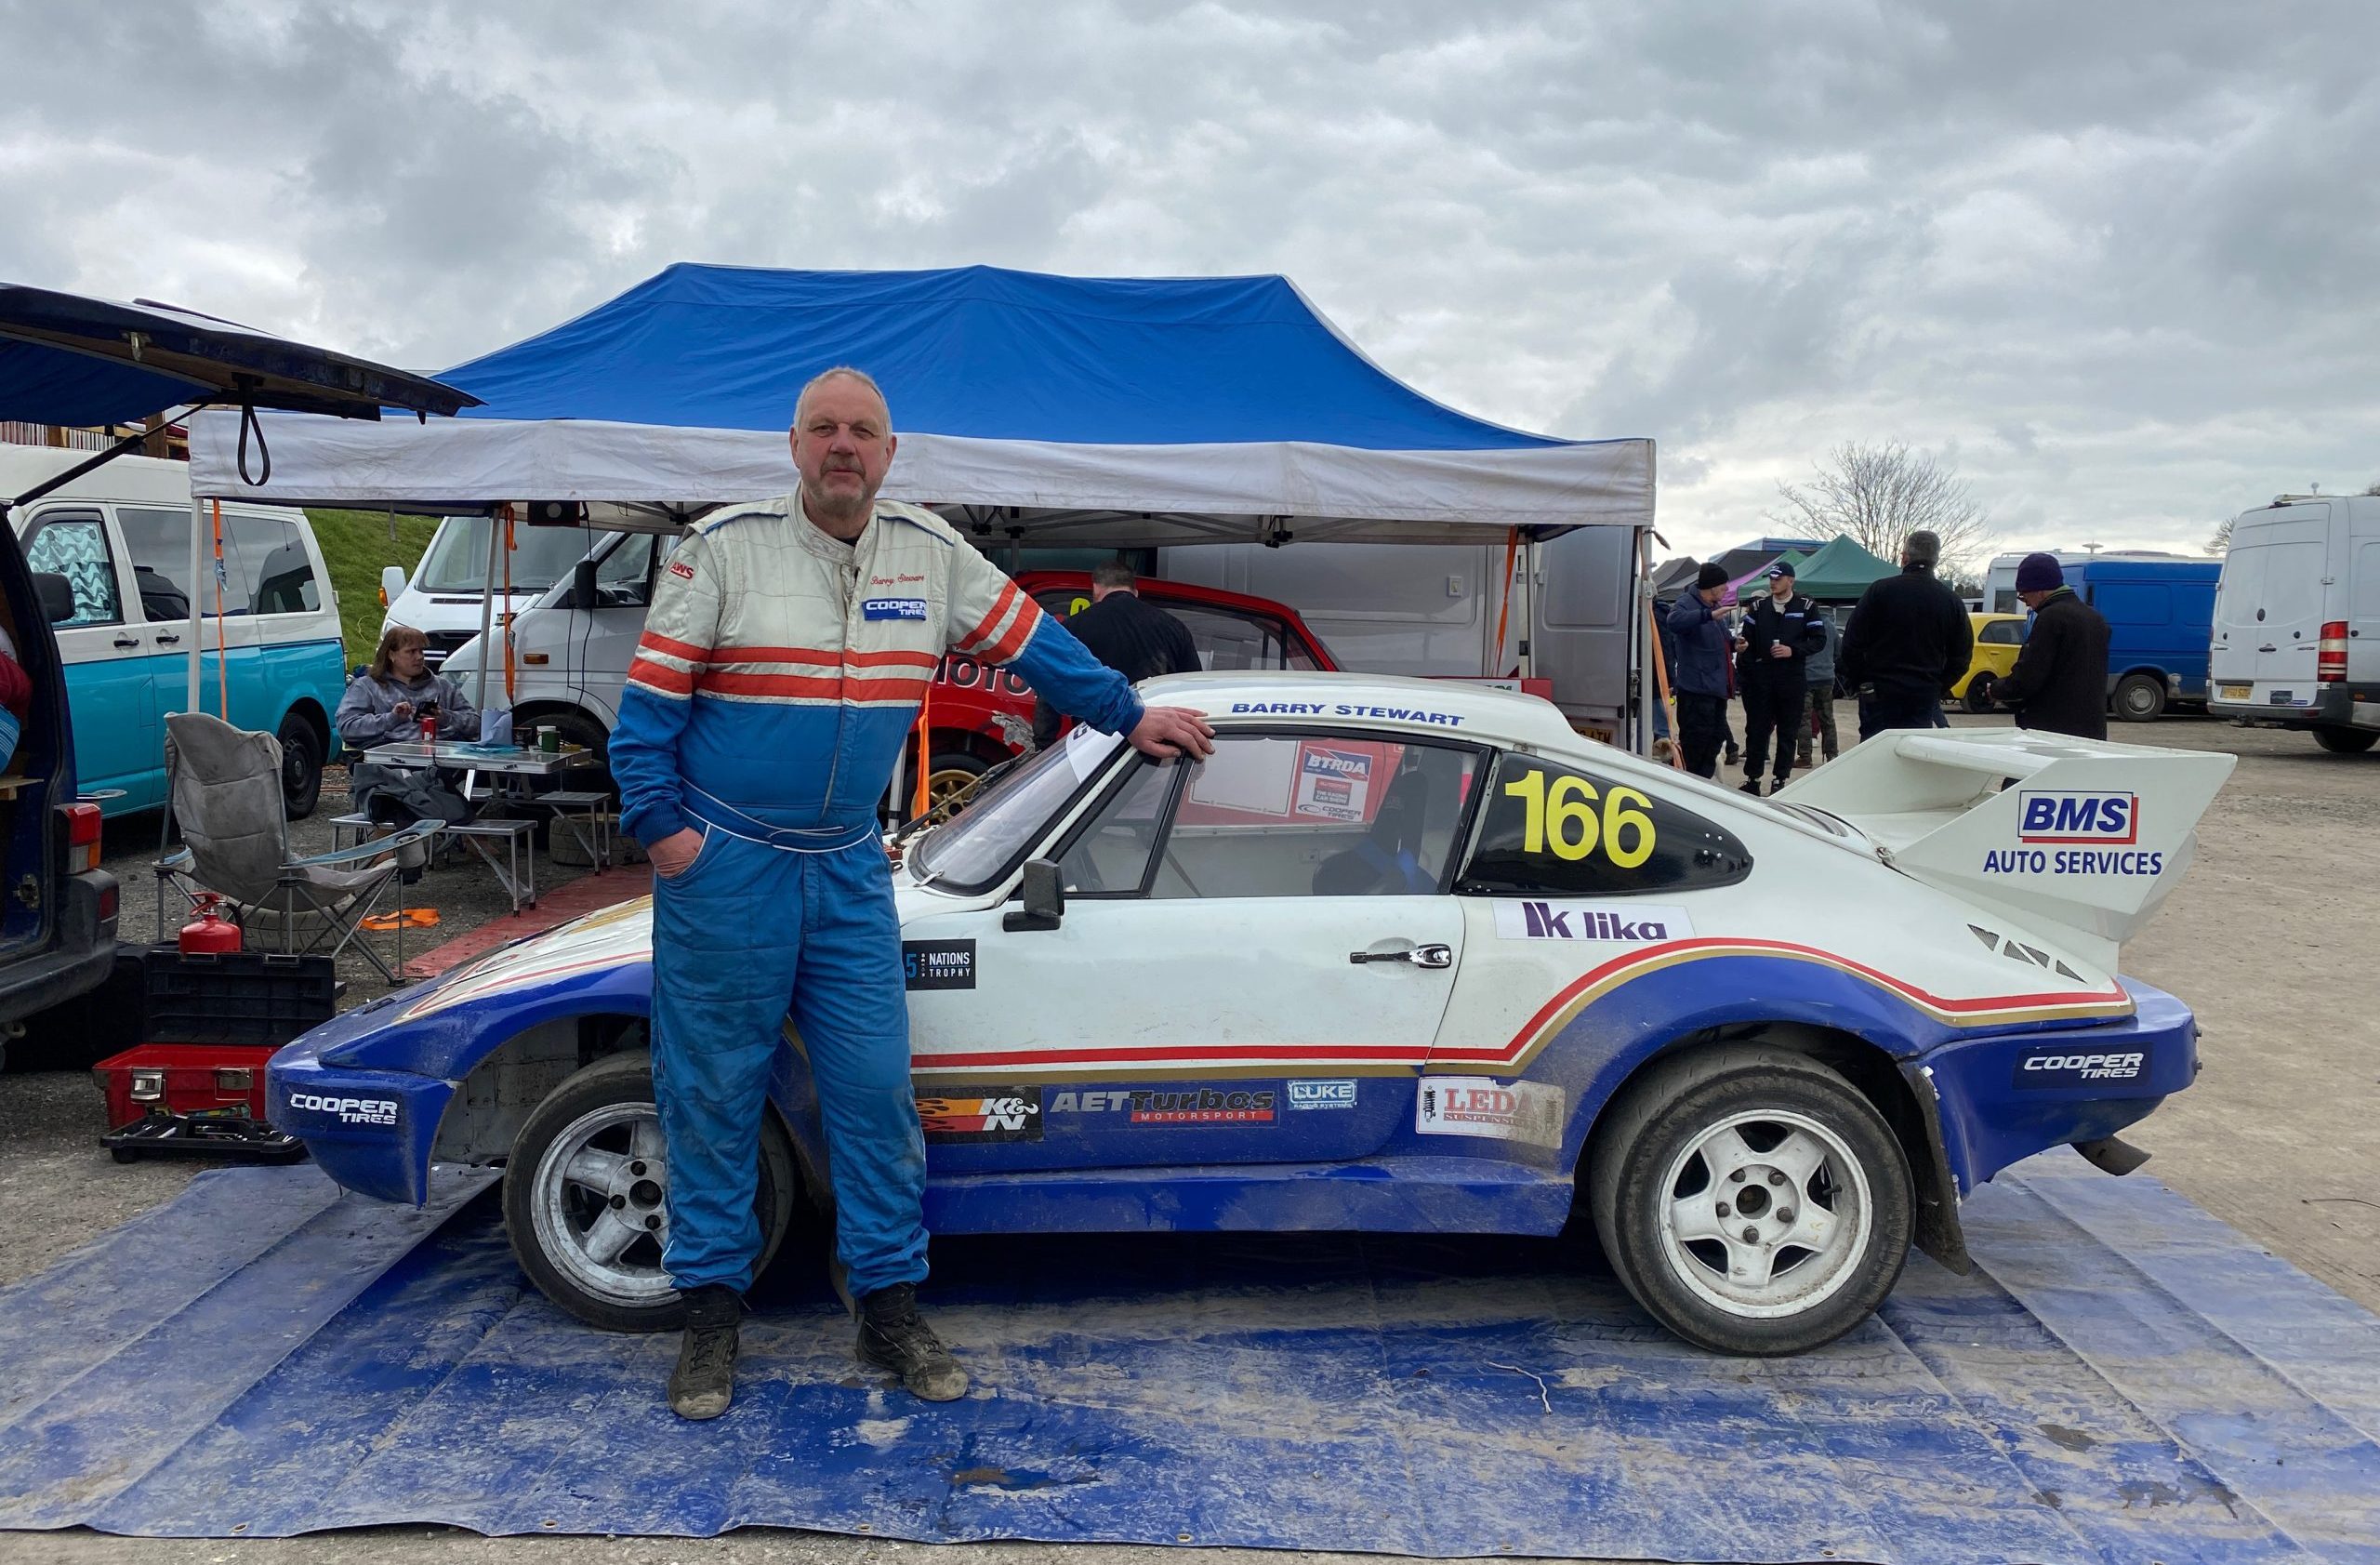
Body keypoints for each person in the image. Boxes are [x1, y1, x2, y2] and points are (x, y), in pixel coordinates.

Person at [607, 366, 1216, 1423]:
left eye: (864, 432)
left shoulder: (931, 554)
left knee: (877, 1094)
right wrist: (667, 840)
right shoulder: (722, 548)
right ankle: (711, 1319)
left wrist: (1125, 712)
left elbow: (1036, 644)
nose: (843, 446)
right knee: (710, 1097)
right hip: (726, 868)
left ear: (891, 455)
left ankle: (886, 1305)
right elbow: (644, 711)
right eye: (824, 429)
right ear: (795, 446)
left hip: (845, 866)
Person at [1030, 557, 1202, 748]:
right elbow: (1193, 687)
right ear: (1135, 592)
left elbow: (1050, 687)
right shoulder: (1173, 626)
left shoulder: (1075, 626)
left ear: (1095, 588)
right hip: (1157, 739)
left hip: (1092, 742)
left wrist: (1043, 744)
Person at [336, 625, 483, 826]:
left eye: (421, 651)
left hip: (438, 761)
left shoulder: (442, 686)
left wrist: (445, 717)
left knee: (405, 783)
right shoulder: (367, 687)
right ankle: (462, 829)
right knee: (402, 780)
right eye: (411, 652)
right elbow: (347, 727)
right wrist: (391, 718)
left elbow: (475, 723)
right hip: (389, 760)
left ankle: (392, 841)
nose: (419, 657)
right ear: (391, 655)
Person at [1836, 529, 1972, 741]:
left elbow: (1851, 645)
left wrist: (1862, 681)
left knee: (1875, 757)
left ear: (1905, 556)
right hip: (1922, 694)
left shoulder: (1879, 591)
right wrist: (1937, 687)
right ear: (1935, 559)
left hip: (1879, 693)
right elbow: (1962, 657)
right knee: (1912, 756)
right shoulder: (1950, 600)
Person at [1990, 552, 2110, 739]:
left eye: (2024, 595)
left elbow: (2030, 675)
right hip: (2091, 729)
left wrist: (1997, 688)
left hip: (2052, 730)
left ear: (2040, 590)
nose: (2026, 604)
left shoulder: (2051, 618)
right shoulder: (2095, 619)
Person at [1733, 562, 1825, 796]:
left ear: (1790, 581)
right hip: (1762, 678)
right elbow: (1748, 639)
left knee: (1788, 730)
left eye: (1778, 578)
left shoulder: (1805, 607)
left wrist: (1792, 650)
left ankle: (1779, 779)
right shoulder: (1759, 607)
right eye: (1771, 578)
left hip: (1791, 678)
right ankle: (1752, 779)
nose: (1773, 582)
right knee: (1757, 729)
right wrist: (1744, 647)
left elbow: (1818, 640)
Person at [1662, 562, 1734, 778]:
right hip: (1696, 691)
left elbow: (1721, 639)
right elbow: (1673, 621)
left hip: (1716, 690)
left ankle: (1703, 783)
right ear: (1711, 586)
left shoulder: (1713, 607)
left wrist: (1734, 643)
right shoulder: (1687, 603)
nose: (1727, 589)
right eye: (1723, 585)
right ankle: (1692, 786)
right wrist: (1707, 616)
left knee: (1715, 741)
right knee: (1696, 745)